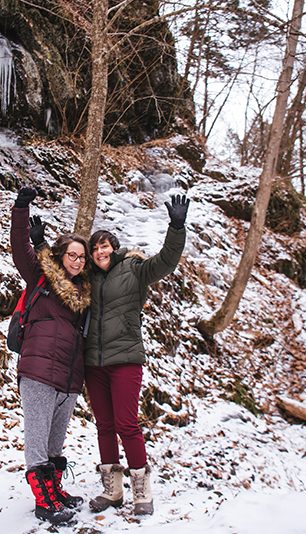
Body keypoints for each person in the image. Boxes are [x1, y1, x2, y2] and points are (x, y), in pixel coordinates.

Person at [85, 194, 189, 516]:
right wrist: (41, 244)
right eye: (95, 248)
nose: (100, 252)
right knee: (104, 425)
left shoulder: (134, 269)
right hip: (93, 362)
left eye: (105, 246)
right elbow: (58, 270)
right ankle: (112, 490)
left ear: (114, 248)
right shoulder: (87, 278)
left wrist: (176, 226)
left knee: (126, 423)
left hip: (126, 359)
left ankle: (141, 490)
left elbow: (166, 262)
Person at [10, 185, 91, 525]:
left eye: (81, 256)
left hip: (70, 377)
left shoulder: (85, 294)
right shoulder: (39, 277)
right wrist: (21, 209)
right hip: (40, 371)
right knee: (38, 441)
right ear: (60, 256)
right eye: (71, 254)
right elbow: (19, 248)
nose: (77, 260)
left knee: (55, 441)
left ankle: (55, 491)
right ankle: (44, 502)